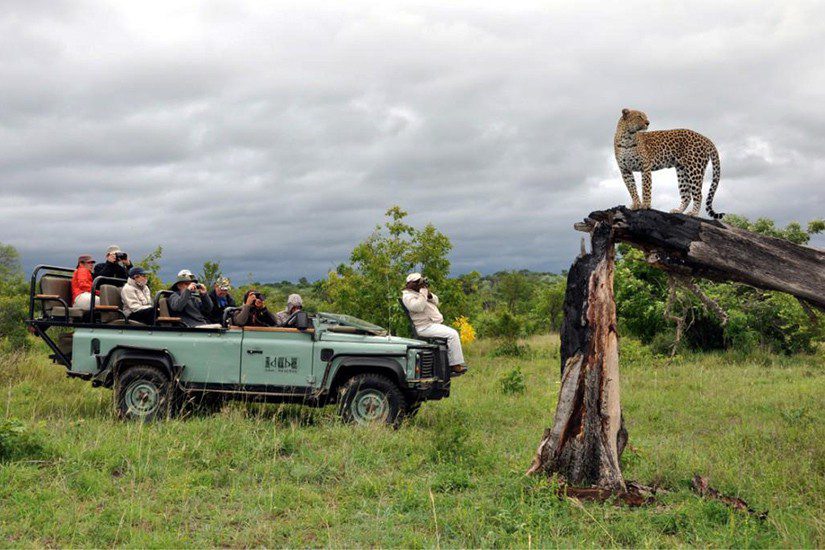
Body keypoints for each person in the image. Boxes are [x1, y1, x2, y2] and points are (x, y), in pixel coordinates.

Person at [401, 273, 468, 375]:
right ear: (409, 284)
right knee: (453, 334)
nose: (420, 283)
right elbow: (418, 307)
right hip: (423, 327)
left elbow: (436, 301)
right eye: (417, 282)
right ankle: (454, 365)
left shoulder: (418, 293)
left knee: (452, 333)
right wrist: (423, 293)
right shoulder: (407, 296)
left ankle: (450, 363)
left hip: (431, 325)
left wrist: (429, 295)